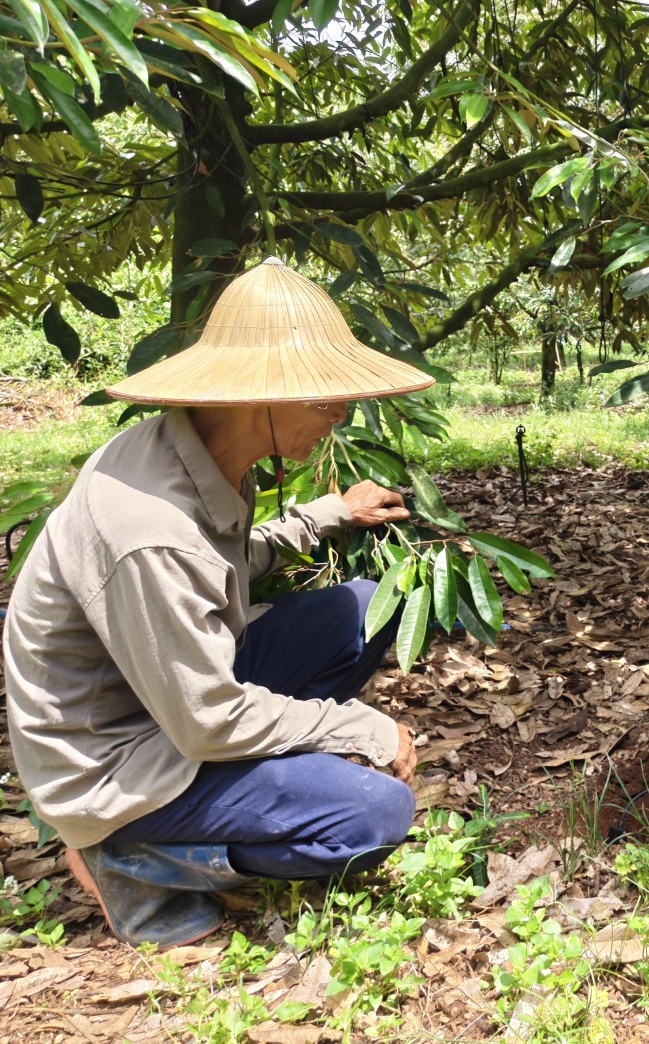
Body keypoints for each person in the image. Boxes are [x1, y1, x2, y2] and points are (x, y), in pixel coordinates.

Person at [3, 258, 435, 948]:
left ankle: (251, 793)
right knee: (372, 816)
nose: (340, 415)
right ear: (259, 398)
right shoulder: (149, 529)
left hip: (167, 701)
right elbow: (206, 720)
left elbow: (222, 568)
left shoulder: (195, 454)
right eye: (323, 398)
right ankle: (126, 855)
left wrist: (327, 514)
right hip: (117, 765)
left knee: (363, 609)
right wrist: (358, 729)